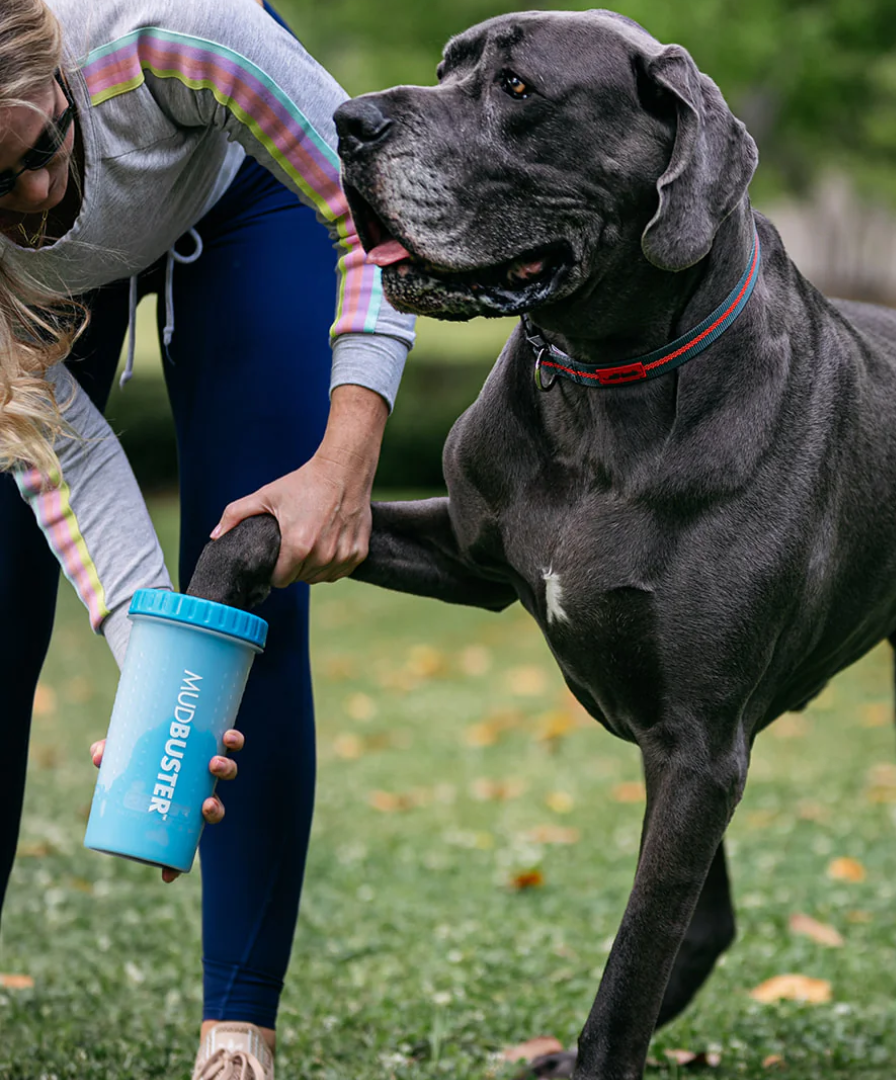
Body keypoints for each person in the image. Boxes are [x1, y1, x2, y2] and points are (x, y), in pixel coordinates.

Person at [0, 0, 416, 1076]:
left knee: (248, 586)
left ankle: (238, 1027)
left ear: (55, 70)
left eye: (39, 148)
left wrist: (348, 448)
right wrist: (156, 681)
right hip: (41, 303)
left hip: (242, 194)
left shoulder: (170, 30)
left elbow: (373, 210)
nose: (36, 195)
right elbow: (64, 453)